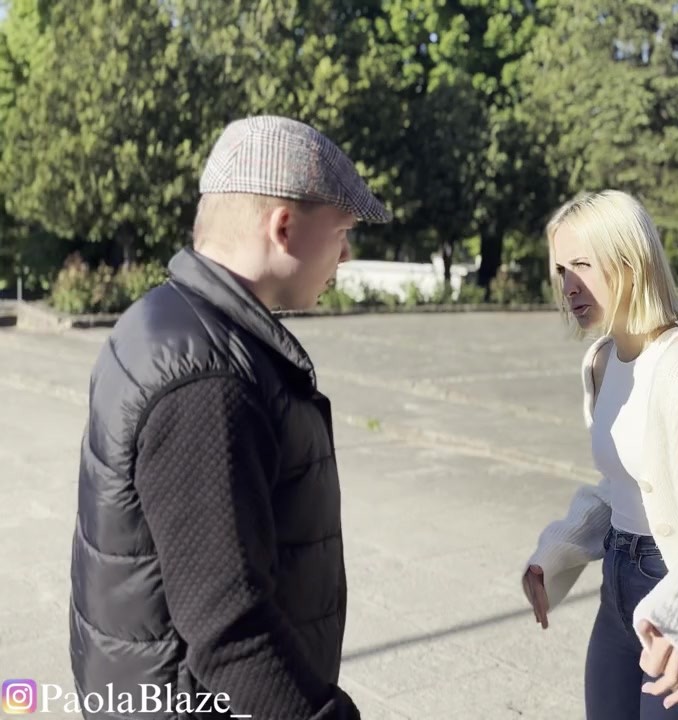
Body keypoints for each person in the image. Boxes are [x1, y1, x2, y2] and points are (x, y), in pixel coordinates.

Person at [68, 115, 391, 720]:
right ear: (284, 227)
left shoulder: (167, 320)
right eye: (344, 231)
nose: (346, 254)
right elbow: (230, 630)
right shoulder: (207, 381)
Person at [522, 190, 678, 720]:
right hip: (618, 589)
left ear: (630, 263)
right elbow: (621, 485)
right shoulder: (600, 362)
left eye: (582, 265)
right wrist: (554, 553)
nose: (568, 286)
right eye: (561, 270)